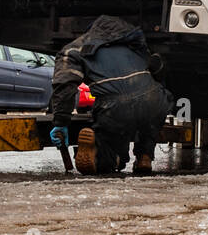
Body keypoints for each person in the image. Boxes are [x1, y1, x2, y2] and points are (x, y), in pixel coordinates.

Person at [48, 16, 173, 175]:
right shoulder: (134, 43)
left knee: (110, 150)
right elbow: (158, 68)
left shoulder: (76, 48)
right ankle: (145, 156)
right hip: (153, 101)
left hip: (114, 107)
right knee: (156, 106)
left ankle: (109, 157)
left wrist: (60, 121)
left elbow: (64, 85)